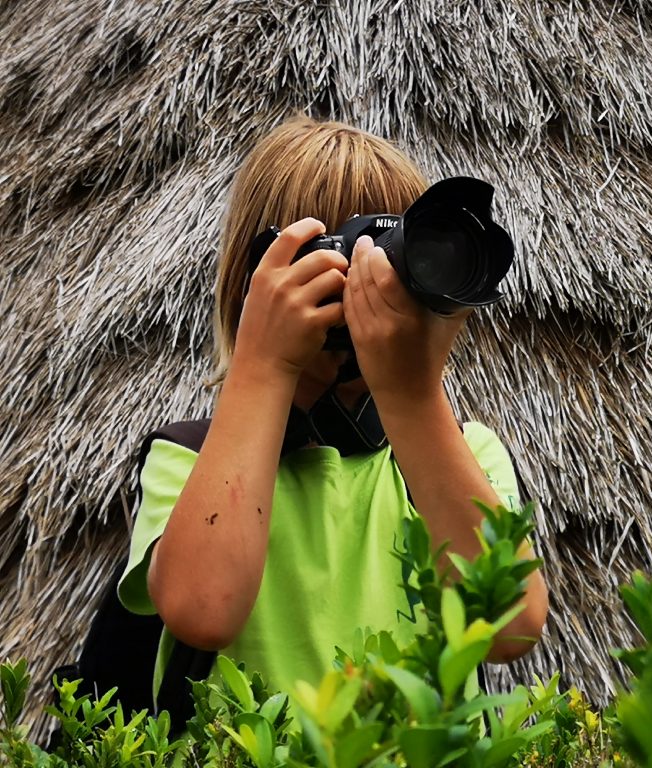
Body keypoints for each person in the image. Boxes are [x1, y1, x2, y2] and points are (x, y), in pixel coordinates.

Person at [116, 115, 549, 701]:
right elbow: (204, 611)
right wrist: (264, 365)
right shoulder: (188, 459)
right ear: (262, 274)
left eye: (400, 255)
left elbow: (512, 629)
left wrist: (413, 395)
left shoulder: (466, 452)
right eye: (346, 254)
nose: (377, 284)